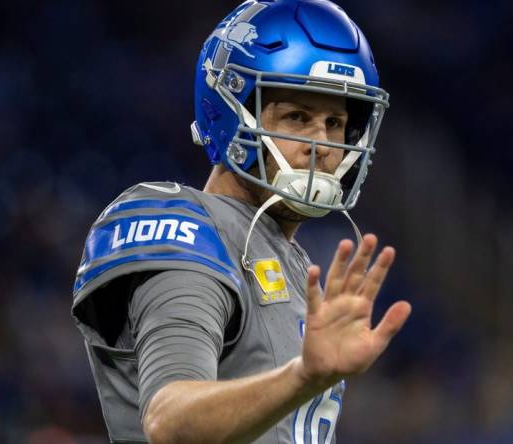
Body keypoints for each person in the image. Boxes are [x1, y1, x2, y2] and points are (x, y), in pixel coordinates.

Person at [71, 1, 411, 443]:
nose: (322, 145)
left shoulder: (282, 255)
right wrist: (304, 376)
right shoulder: (189, 228)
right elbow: (169, 422)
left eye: (335, 122)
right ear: (228, 114)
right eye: (297, 117)